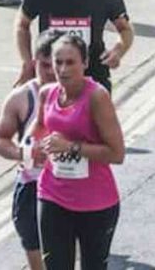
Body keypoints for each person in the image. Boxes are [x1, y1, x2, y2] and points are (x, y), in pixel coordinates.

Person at [27, 33, 125, 270]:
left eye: (70, 62)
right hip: (52, 194)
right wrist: (34, 146)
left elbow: (117, 153)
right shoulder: (47, 93)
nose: (62, 69)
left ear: (85, 63)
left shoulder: (96, 97)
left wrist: (71, 147)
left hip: (96, 202)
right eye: (57, 62)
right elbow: (39, 127)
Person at [0, 32, 58, 270]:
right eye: (44, 65)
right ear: (34, 62)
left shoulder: (83, 96)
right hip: (32, 184)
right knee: (34, 248)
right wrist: (23, 153)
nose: (51, 72)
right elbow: (0, 140)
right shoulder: (21, 98)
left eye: (56, 65)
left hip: (69, 185)